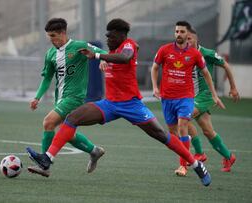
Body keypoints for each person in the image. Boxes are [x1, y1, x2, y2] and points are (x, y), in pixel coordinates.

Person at [26, 18, 212, 187]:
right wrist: (102, 59)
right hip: (109, 104)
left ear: (121, 35)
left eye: (111, 36)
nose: (107, 39)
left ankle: (196, 164)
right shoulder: (111, 51)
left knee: (161, 135)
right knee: (72, 118)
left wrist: (98, 57)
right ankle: (47, 159)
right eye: (106, 36)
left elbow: (125, 58)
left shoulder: (128, 45)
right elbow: (111, 56)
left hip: (132, 105)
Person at [27, 18, 106, 177]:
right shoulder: (50, 53)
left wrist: (103, 60)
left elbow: (104, 52)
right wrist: (37, 97)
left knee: (48, 122)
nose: (51, 39)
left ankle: (45, 164)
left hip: (75, 97)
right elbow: (48, 78)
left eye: (53, 35)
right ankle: (94, 150)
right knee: (68, 134)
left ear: (63, 33)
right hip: (61, 98)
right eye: (49, 36)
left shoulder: (78, 46)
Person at [150, 21, 225, 177]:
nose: (179, 34)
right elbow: (155, 67)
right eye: (176, 31)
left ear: (187, 34)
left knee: (183, 125)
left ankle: (183, 166)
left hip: (185, 97)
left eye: (182, 32)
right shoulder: (164, 50)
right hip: (167, 98)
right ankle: (189, 152)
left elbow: (206, 73)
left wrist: (214, 95)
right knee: (173, 132)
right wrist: (155, 87)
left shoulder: (195, 54)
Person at [186, 27, 239, 172]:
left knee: (184, 117)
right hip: (192, 96)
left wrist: (233, 88)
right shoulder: (184, 54)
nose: (186, 41)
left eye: (189, 38)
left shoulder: (207, 53)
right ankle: (229, 156)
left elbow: (226, 66)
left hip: (205, 95)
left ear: (196, 39)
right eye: (185, 38)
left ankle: (199, 153)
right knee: (208, 131)